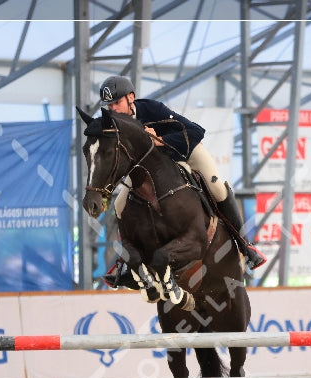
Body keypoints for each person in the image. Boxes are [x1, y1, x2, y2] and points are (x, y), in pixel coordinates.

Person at [97, 75, 266, 288]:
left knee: (217, 188)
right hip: (153, 168)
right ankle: (125, 263)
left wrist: (161, 140)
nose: (113, 109)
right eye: (109, 105)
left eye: (117, 103)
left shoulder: (153, 110)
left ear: (131, 97)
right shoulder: (113, 124)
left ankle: (245, 246)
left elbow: (196, 132)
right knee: (120, 205)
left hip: (186, 152)